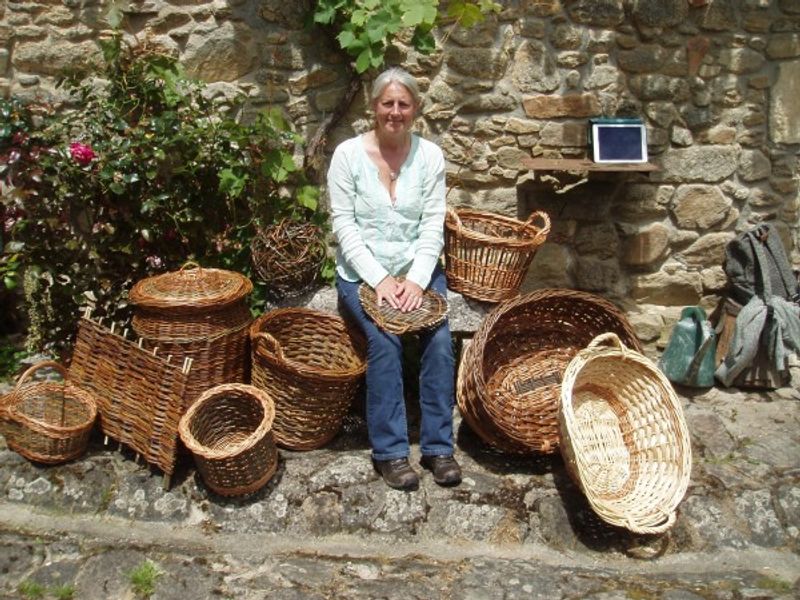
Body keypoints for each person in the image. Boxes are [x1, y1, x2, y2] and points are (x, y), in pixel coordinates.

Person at [327, 66, 461, 491]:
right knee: (383, 340)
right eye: (388, 103)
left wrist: (417, 281)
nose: (396, 112)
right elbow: (344, 226)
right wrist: (381, 279)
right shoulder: (347, 156)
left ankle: (439, 448)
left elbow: (431, 224)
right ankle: (391, 453)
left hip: (417, 273)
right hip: (361, 274)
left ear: (416, 109)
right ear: (374, 107)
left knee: (439, 342)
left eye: (404, 104)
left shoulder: (430, 157)